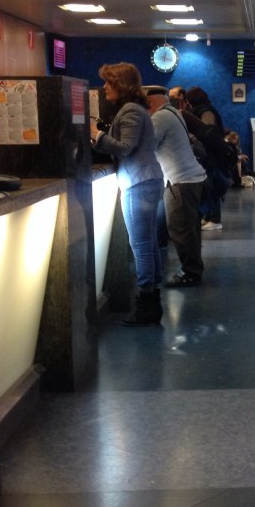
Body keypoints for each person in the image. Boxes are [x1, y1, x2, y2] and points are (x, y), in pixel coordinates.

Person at [90, 63, 165, 325]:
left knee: (141, 246)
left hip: (138, 183)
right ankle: (152, 300)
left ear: (121, 85)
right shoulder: (137, 109)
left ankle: (146, 304)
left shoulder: (131, 110)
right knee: (149, 244)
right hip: (147, 180)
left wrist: (97, 134)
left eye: (109, 82)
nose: (104, 87)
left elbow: (125, 147)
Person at [144, 86, 208, 287]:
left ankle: (191, 273)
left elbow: (145, 146)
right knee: (190, 229)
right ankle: (193, 269)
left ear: (150, 103)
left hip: (181, 181)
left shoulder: (160, 118)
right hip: (193, 178)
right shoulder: (174, 113)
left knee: (181, 230)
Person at [184, 86, 230, 229]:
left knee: (211, 186)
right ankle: (209, 216)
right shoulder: (206, 110)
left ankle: (214, 219)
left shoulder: (204, 112)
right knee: (210, 185)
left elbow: (208, 133)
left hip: (209, 156)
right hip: (211, 155)